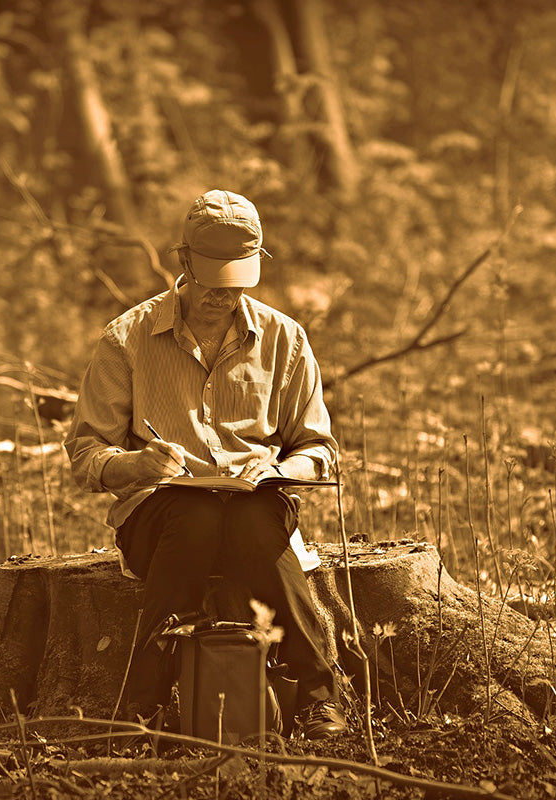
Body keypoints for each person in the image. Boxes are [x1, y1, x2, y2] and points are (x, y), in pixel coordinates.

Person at [64, 189, 347, 739]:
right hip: (160, 512)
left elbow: (320, 449)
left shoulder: (285, 338)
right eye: (213, 278)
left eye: (237, 279)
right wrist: (139, 465)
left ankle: (317, 696)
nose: (223, 294)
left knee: (250, 520)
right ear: (184, 261)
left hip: (255, 505)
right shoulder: (128, 337)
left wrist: (278, 472)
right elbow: (86, 456)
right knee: (193, 519)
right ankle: (144, 701)